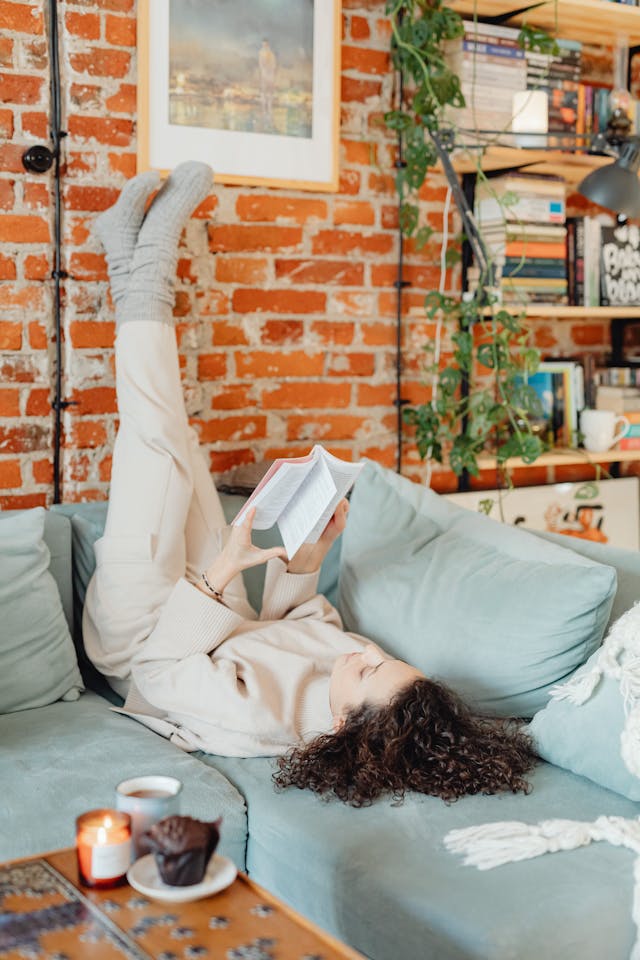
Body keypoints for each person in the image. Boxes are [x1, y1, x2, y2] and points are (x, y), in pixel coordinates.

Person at [85, 162, 536, 807]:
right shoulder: (352, 671)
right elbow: (292, 619)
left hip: (144, 638)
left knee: (155, 449)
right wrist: (308, 560)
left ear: (353, 725)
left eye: (372, 670)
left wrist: (223, 572)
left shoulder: (264, 721)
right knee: (180, 445)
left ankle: (144, 269)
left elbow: (159, 675)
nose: (365, 654)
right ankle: (128, 261)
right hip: (217, 613)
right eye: (384, 658)